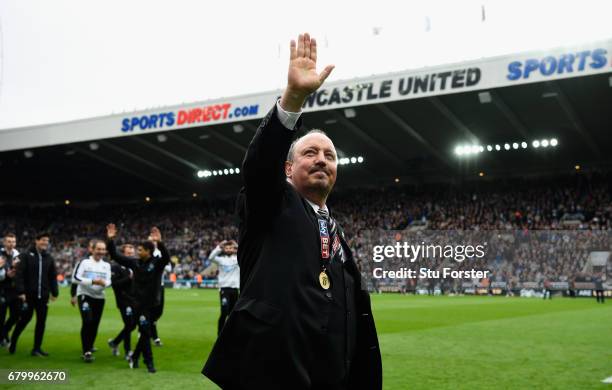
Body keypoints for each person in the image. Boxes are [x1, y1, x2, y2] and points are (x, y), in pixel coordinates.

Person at [202, 33, 381, 389]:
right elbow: (259, 166)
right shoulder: (271, 204)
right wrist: (295, 98)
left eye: (330, 156)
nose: (321, 160)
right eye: (310, 153)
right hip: (271, 375)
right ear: (287, 170)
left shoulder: (337, 235)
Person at [106, 224, 169, 373]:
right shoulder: (134, 263)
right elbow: (115, 255)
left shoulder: (157, 263)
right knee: (145, 333)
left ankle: (134, 357)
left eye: (140, 250)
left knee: (145, 333)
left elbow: (166, 257)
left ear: (148, 251)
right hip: (139, 305)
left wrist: (160, 242)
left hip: (154, 304)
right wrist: (110, 239)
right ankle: (149, 363)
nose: (137, 252)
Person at [9, 232, 58, 356]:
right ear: (36, 241)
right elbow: (19, 275)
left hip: (43, 296)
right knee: (24, 320)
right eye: (43, 240)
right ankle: (13, 341)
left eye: (47, 241)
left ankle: (36, 348)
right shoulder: (25, 255)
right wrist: (21, 292)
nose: (45, 243)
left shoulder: (49, 258)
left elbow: (52, 276)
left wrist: (55, 292)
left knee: (41, 322)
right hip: (28, 296)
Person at [73, 240, 112, 362]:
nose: (101, 252)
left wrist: (104, 284)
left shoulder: (106, 265)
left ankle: (89, 346)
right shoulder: (84, 262)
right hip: (85, 295)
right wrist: (93, 281)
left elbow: (109, 281)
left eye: (103, 249)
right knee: (87, 321)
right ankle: (86, 352)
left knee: (95, 324)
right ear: (92, 250)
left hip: (100, 297)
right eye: (98, 249)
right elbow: (75, 278)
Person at [108, 244, 136, 359]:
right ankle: (128, 351)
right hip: (123, 300)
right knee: (129, 324)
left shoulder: (134, 266)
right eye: (128, 253)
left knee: (132, 325)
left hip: (135, 300)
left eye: (132, 253)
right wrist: (128, 278)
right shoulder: (116, 267)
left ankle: (115, 342)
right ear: (122, 254)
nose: (130, 256)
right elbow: (114, 284)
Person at [208, 240, 239, 335]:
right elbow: (210, 258)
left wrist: (237, 246)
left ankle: (232, 333)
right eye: (226, 248)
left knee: (233, 314)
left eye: (230, 248)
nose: (229, 249)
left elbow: (246, 253)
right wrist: (219, 247)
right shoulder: (221, 260)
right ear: (224, 249)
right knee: (224, 312)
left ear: (234, 249)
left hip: (235, 289)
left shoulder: (238, 259)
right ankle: (220, 333)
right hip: (224, 289)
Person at [0, 233, 20, 347]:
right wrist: (6, 275)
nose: (11, 244)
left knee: (16, 314)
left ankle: (3, 334)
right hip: (2, 288)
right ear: (4, 242)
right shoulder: (0, 255)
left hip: (13, 289)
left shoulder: (17, 254)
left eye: (13, 242)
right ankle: (4, 338)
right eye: (9, 241)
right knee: (1, 316)